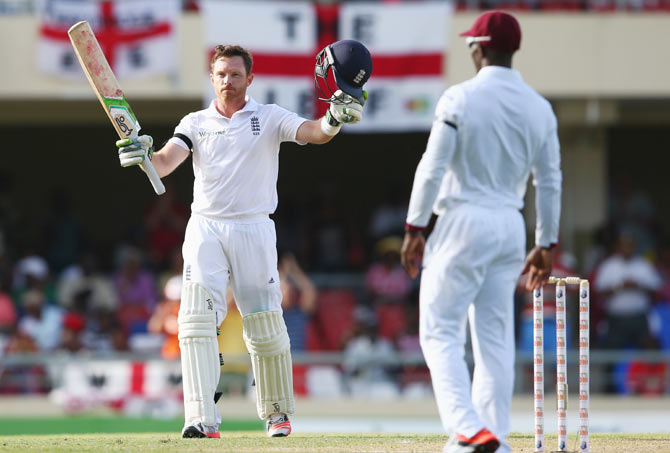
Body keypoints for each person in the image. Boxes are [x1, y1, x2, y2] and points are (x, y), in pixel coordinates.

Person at [115, 42, 371, 439]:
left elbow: (315, 132)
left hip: (254, 227)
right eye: (220, 74)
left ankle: (277, 414)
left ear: (249, 79)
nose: (227, 81)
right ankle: (200, 418)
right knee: (196, 321)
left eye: (235, 74)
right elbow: (165, 162)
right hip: (206, 228)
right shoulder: (195, 122)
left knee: (264, 322)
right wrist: (144, 152)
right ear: (211, 77)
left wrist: (334, 118)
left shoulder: (268, 117)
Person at [400, 12, 561, 453]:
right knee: (494, 341)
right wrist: (545, 242)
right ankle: (492, 437)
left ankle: (467, 429)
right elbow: (548, 181)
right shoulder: (539, 107)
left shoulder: (460, 97)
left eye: (472, 42)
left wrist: (416, 227)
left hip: (463, 221)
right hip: (511, 226)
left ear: (481, 47)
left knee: (438, 331)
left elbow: (432, 166)